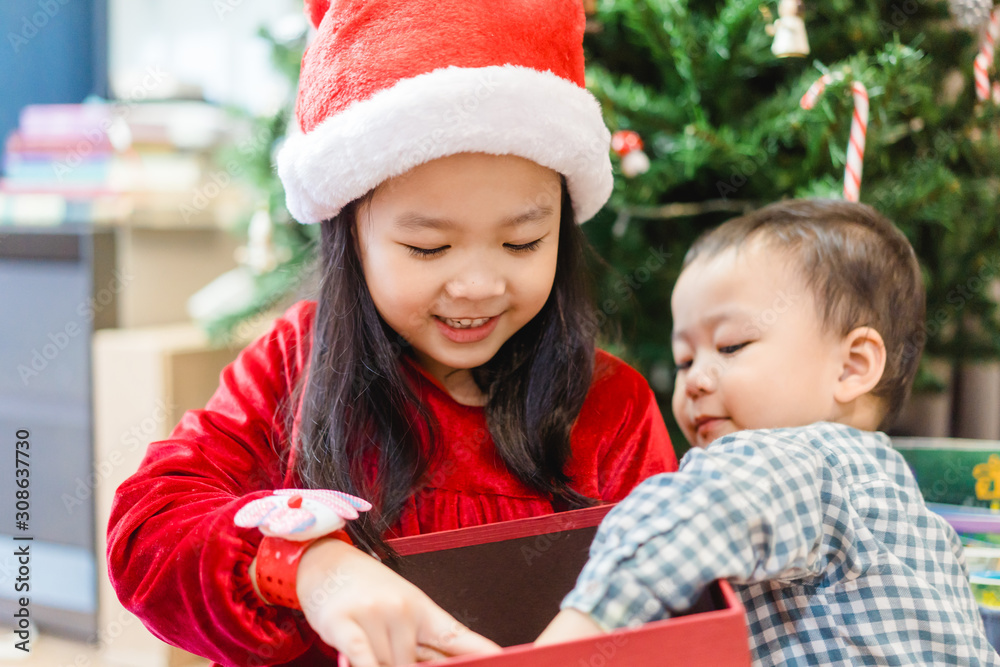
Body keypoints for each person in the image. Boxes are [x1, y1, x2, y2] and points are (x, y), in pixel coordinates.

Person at [106, 1, 678, 666]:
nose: (477, 285)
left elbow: (666, 596)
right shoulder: (293, 363)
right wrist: (309, 564)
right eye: (429, 247)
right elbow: (148, 530)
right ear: (352, 235)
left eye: (522, 242)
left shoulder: (610, 405)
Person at [537, 199, 1000, 665]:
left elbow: (693, 515)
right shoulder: (909, 508)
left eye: (731, 345)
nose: (694, 380)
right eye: (684, 360)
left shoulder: (793, 457)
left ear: (853, 367)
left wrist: (569, 640)